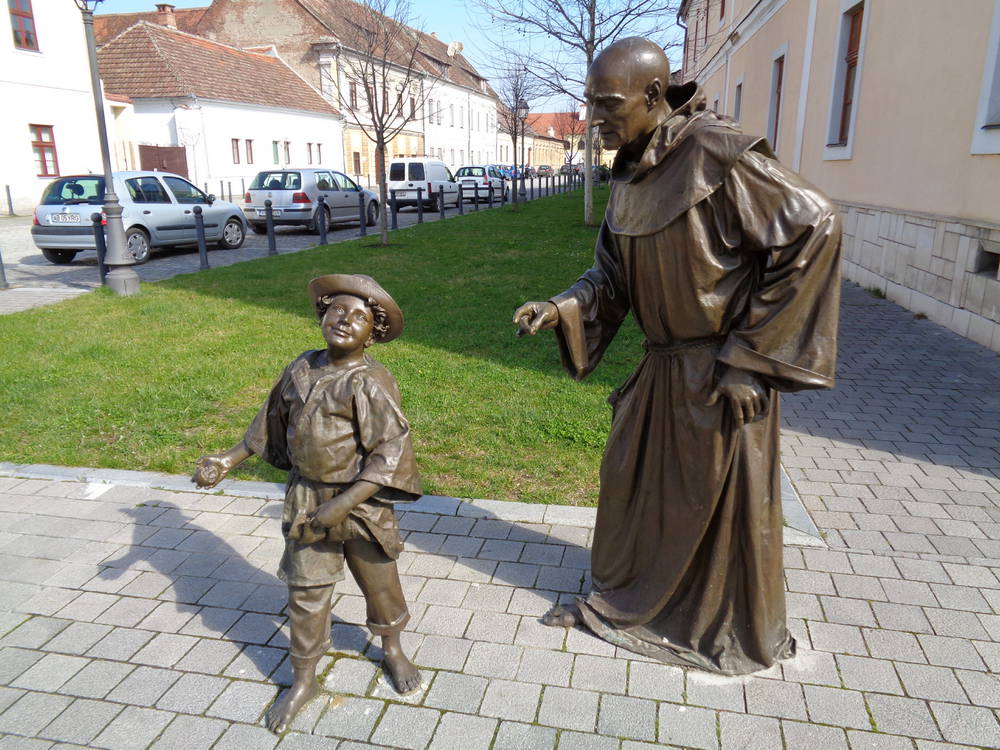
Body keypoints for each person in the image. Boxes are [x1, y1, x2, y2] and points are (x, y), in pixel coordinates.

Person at [514, 37, 842, 675]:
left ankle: (699, 626)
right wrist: (562, 307)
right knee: (632, 487)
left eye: (607, 105)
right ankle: (626, 605)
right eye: (590, 105)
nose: (594, 121)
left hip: (721, 374)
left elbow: (816, 225)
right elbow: (610, 273)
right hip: (662, 369)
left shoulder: (717, 153)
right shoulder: (631, 169)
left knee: (710, 509)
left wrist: (750, 357)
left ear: (654, 96)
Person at [193, 274, 422, 731]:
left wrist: (344, 503)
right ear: (322, 314)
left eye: (360, 317)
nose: (345, 320)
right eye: (337, 309)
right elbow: (268, 423)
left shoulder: (370, 382)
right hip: (306, 496)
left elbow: (391, 452)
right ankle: (304, 678)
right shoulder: (301, 369)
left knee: (379, 583)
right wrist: (226, 460)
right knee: (306, 592)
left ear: (372, 333)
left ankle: (392, 648)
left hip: (360, 501)